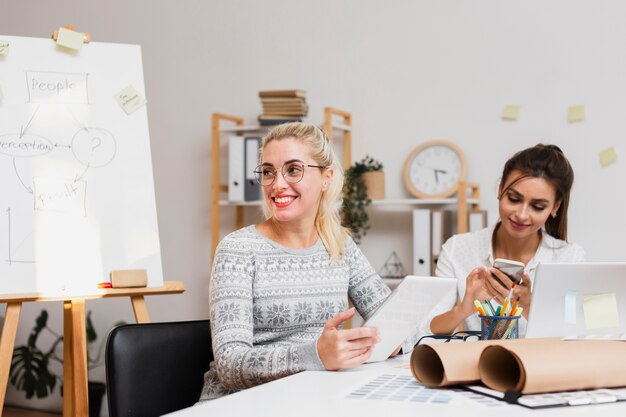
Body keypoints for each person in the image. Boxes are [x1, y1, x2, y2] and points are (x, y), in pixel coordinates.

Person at [199, 122, 392, 401]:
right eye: (268, 172)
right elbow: (230, 364)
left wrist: (394, 338)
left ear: (327, 177)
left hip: (314, 395)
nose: (277, 184)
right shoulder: (238, 250)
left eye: (293, 170)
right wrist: (315, 354)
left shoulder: (338, 244)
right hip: (242, 403)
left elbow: (392, 319)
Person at [427, 144, 585, 336]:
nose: (521, 215)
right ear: (501, 188)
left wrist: (529, 307)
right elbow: (427, 329)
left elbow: (577, 332)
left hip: (540, 364)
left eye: (537, 206)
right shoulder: (457, 249)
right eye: (514, 199)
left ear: (555, 207)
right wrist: (463, 309)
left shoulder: (569, 258)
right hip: (478, 362)